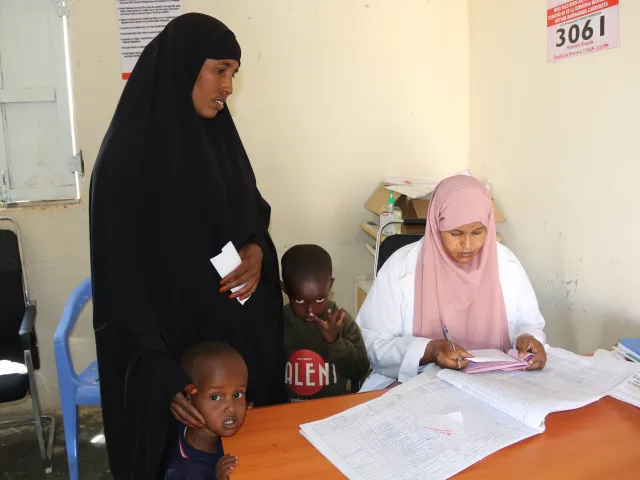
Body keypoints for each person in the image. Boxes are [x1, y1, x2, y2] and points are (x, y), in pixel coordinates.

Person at [89, 13, 286, 479]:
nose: (228, 87)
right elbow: (120, 281)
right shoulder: (124, 160)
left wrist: (257, 249)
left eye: (233, 74)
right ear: (182, 67)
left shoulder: (221, 141)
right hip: (172, 366)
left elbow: (252, 213)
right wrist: (162, 375)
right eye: (220, 70)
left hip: (231, 364)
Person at [357, 175, 547, 392]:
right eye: (455, 233)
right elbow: (371, 344)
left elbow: (530, 323)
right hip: (418, 388)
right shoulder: (401, 267)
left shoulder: (506, 264)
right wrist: (429, 350)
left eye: (478, 232)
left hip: (495, 388)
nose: (467, 244)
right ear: (436, 225)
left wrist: (527, 338)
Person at [281, 245, 370, 401]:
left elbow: (360, 370)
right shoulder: (279, 322)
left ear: (330, 285)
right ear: (285, 289)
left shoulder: (341, 320)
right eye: (300, 300)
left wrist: (336, 341)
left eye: (320, 299)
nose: (310, 310)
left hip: (334, 410)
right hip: (290, 412)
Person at [164, 342, 247, 480]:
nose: (231, 407)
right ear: (188, 400)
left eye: (237, 395)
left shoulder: (213, 428)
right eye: (215, 397)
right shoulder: (186, 470)